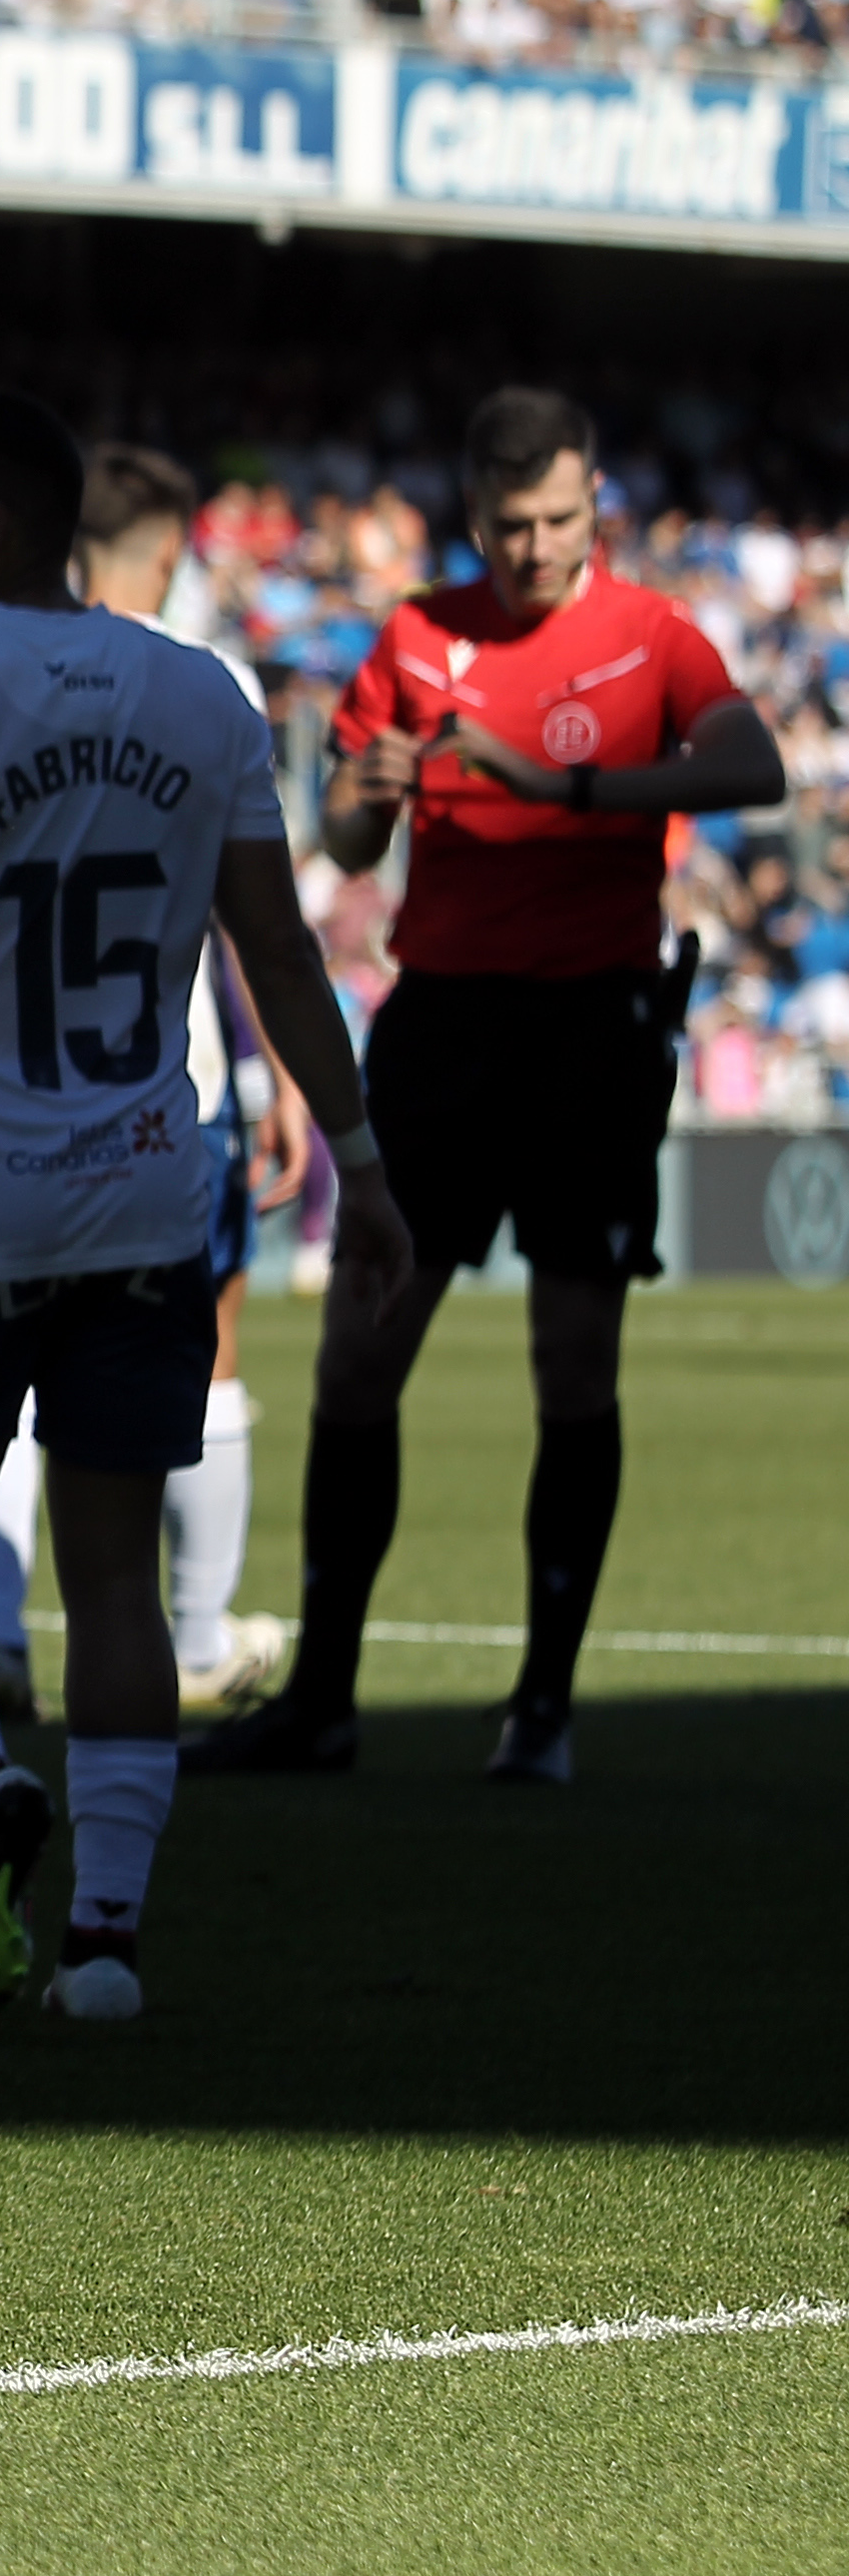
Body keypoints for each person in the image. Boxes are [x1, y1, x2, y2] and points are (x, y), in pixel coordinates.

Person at [0, 393, 409, 2027]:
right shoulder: (201, 695)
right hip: (141, 1205)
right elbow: (277, 947)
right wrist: (357, 1158)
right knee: (114, 1581)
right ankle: (103, 1936)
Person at [189, 388, 783, 1786]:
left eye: (560, 522)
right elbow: (339, 840)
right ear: (474, 518)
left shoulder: (649, 637)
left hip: (594, 1032)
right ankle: (324, 1701)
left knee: (572, 1363)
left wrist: (563, 790)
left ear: (595, 512)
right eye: (511, 525)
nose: (534, 548)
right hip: (441, 1029)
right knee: (358, 1353)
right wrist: (372, 790)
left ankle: (544, 1709)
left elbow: (752, 763)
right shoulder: (414, 633)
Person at [0, 445, 305, 1725]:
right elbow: (254, 912)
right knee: (201, 1357)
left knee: (6, 1361)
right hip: (171, 1091)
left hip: (5, 1084)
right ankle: (200, 1640)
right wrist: (280, 1086)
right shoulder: (211, 686)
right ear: (168, 551)